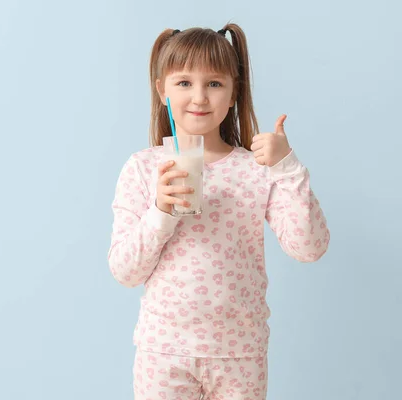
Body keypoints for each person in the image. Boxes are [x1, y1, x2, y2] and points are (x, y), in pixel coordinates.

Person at [107, 23, 330, 400]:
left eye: (214, 84)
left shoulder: (255, 169)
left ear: (233, 93)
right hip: (165, 352)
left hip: (239, 354)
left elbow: (308, 247)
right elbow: (125, 271)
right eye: (183, 83)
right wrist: (161, 212)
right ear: (162, 90)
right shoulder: (143, 168)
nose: (199, 97)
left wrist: (287, 167)